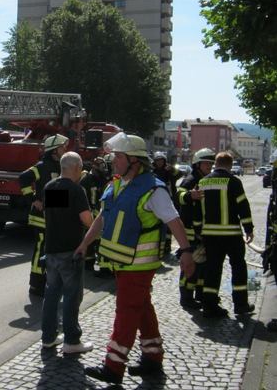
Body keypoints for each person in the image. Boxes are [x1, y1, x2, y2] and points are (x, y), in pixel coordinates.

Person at [73, 133, 195, 386]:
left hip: (140, 263)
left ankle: (113, 366)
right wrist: (85, 243)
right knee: (142, 307)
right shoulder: (115, 184)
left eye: (118, 156)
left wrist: (186, 252)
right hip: (121, 261)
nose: (112, 160)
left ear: (134, 160)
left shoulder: (153, 188)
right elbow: (102, 218)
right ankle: (153, 357)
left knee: (127, 310)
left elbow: (174, 220)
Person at [41, 151, 94, 353]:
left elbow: (51, 215)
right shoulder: (75, 189)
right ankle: (72, 341)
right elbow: (87, 220)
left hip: (52, 249)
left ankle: (48, 337)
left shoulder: (50, 187)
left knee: (51, 295)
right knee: (72, 297)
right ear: (77, 168)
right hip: (70, 250)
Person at [193, 152, 255, 318]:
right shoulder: (234, 182)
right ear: (230, 164)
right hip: (232, 234)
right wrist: (249, 228)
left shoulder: (203, 182)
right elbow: (243, 206)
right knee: (239, 268)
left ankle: (209, 305)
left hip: (210, 235)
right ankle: (241, 305)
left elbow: (197, 210)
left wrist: (198, 230)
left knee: (212, 269)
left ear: (215, 164)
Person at [19, 134, 70, 296]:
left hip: (54, 218)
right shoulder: (43, 166)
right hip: (41, 218)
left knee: (51, 251)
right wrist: (33, 200)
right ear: (54, 150)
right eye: (62, 147)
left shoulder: (61, 167)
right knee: (41, 250)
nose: (65, 149)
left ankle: (49, 281)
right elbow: (24, 178)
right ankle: (36, 285)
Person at [174, 148, 215, 310]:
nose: (209, 166)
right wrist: (190, 196)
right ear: (197, 164)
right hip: (190, 230)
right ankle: (186, 297)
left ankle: (199, 294)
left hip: (203, 230)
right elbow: (177, 198)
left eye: (211, 163)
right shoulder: (190, 180)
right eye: (206, 163)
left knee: (202, 265)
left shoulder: (208, 179)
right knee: (190, 265)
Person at [79, 156, 111, 273]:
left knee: (102, 242)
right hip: (90, 216)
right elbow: (82, 199)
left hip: (102, 215)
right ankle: (88, 265)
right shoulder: (86, 180)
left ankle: (105, 268)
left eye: (104, 165)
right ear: (94, 166)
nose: (103, 168)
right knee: (90, 242)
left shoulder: (104, 179)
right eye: (101, 165)